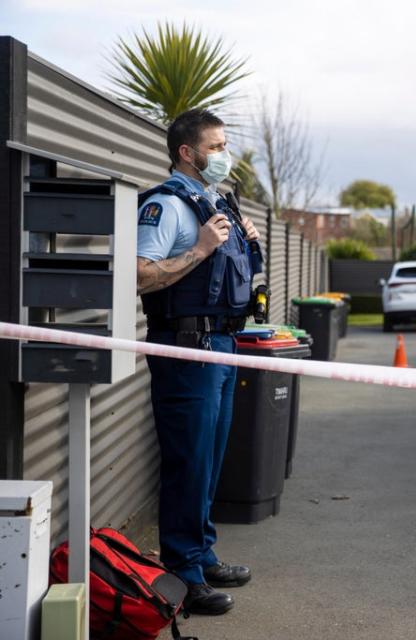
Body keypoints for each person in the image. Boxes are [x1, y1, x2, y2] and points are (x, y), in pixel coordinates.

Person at [136, 108, 262, 615]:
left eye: (225, 145)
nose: (223, 155)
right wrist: (203, 248)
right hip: (186, 350)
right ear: (187, 152)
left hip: (223, 347)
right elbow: (140, 274)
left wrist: (243, 239)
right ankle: (183, 573)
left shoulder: (214, 203)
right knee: (188, 460)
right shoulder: (166, 207)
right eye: (215, 146)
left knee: (208, 459)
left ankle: (201, 552)